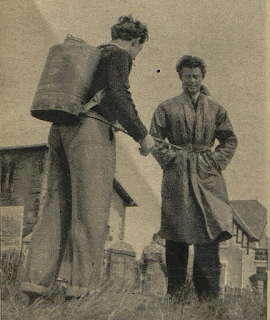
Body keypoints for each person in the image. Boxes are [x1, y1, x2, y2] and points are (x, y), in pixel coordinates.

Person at [20, 15, 155, 300]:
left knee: (55, 207)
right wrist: (143, 135)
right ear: (135, 41)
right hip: (91, 133)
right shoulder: (119, 55)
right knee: (91, 213)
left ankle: (35, 286)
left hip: (60, 129)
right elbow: (120, 96)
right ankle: (83, 291)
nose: (137, 54)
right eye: (139, 49)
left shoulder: (95, 54)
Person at [149, 55, 238, 300]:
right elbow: (154, 138)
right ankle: (175, 296)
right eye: (187, 76)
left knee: (209, 234)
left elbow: (229, 139)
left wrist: (214, 161)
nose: (192, 81)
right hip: (177, 177)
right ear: (180, 77)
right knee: (176, 234)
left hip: (208, 178)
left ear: (202, 78)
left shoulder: (216, 109)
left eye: (196, 76)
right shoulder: (167, 107)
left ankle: (208, 300)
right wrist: (172, 159)